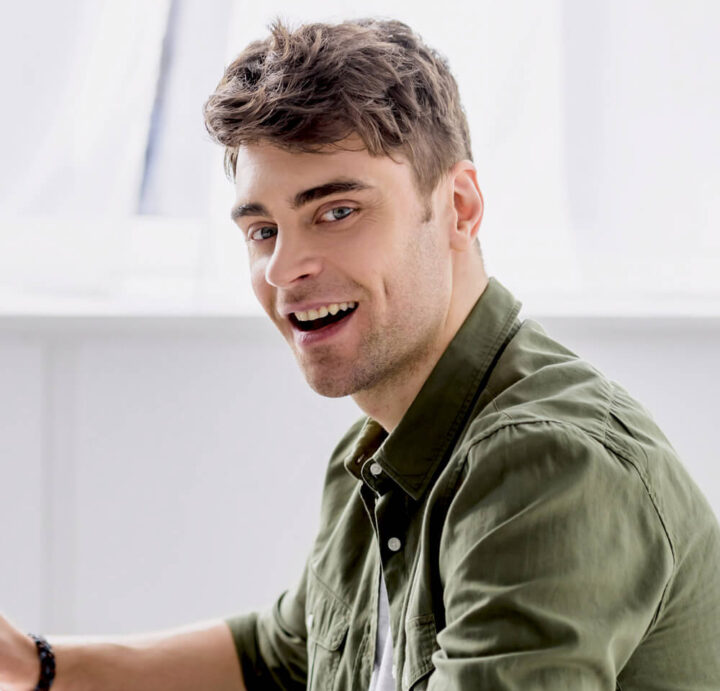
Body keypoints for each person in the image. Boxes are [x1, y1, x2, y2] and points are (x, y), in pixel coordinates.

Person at [2, 17, 719, 691]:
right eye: (263, 230)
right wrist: (34, 664)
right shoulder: (378, 452)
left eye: (337, 212)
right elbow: (284, 654)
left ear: (460, 208)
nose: (284, 269)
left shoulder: (547, 464)